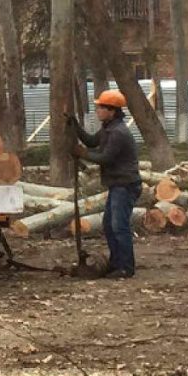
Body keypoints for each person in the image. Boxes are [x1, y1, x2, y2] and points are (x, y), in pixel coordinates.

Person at [68, 89, 142, 279]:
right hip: (117, 185)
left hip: (125, 185)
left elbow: (106, 158)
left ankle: (126, 267)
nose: (98, 111)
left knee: (119, 226)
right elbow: (92, 141)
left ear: (112, 110)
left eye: (101, 108)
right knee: (109, 225)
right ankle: (116, 263)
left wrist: (82, 154)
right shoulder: (109, 128)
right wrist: (76, 127)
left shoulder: (118, 132)